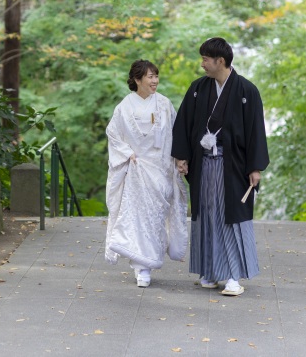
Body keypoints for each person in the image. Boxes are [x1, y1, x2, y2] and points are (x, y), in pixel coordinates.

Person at [171, 37, 269, 296]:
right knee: (206, 216)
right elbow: (184, 123)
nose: (202, 64)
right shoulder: (197, 89)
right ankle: (210, 271)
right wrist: (182, 156)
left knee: (233, 218)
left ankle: (234, 276)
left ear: (220, 61)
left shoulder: (247, 91)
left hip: (233, 165)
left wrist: (255, 167)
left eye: (205, 59)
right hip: (204, 163)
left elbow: (256, 132)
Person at [105, 59, 188, 288]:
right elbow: (113, 133)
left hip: (160, 169)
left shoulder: (163, 104)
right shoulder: (125, 106)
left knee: (155, 218)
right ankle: (142, 267)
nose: (155, 81)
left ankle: (148, 261)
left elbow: (176, 134)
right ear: (137, 80)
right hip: (136, 169)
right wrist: (126, 152)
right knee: (137, 217)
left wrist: (179, 159)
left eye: (156, 76)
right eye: (150, 77)